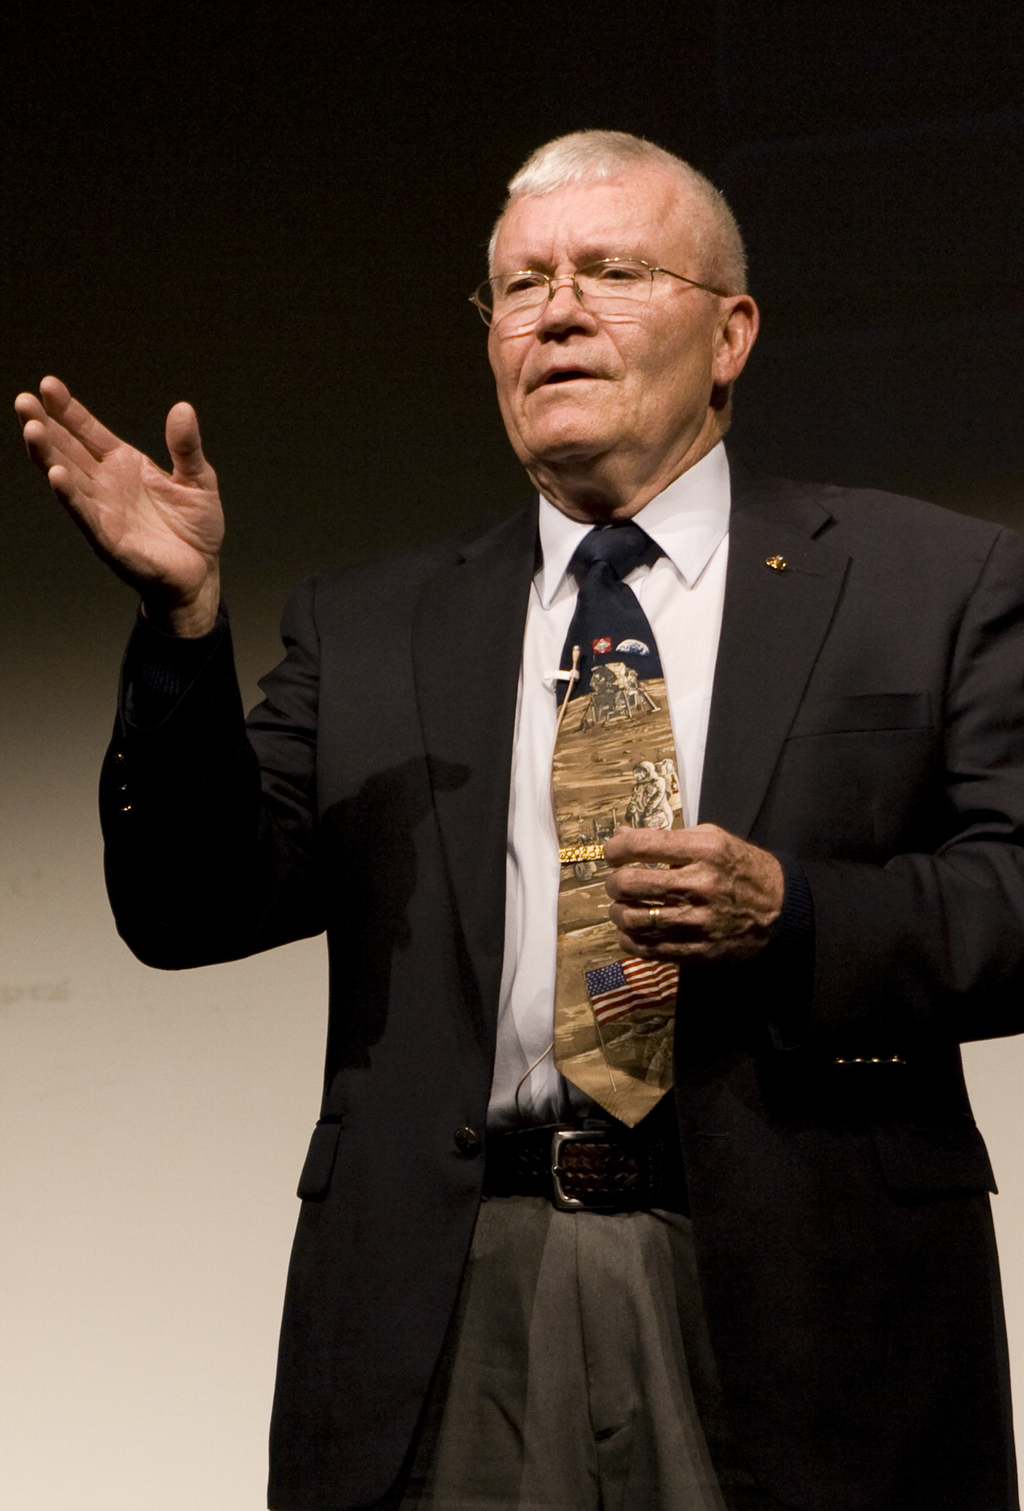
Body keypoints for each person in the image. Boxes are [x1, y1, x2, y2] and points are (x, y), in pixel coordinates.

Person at [15, 130, 1024, 1511]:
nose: (555, 311)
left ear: (731, 333)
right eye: (519, 286)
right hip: (453, 1292)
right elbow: (192, 905)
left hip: (807, 1286)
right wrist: (183, 630)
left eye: (610, 271)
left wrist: (793, 913)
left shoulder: (933, 581)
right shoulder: (376, 625)